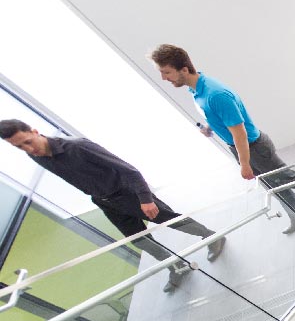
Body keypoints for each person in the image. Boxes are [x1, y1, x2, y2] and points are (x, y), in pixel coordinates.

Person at [0, 119, 223, 292]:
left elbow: (129, 170)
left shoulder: (78, 147)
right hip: (105, 201)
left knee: (170, 220)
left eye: (27, 142)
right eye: (19, 147)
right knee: (139, 240)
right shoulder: (38, 158)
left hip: (128, 192)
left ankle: (212, 236)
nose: (27, 149)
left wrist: (145, 199)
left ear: (35, 131)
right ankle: (175, 266)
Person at [149, 44, 295, 234]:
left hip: (254, 149)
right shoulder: (196, 89)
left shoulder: (215, 94)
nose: (164, 78)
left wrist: (244, 164)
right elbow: (223, 118)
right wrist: (211, 127)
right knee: (274, 186)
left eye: (166, 72)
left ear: (184, 70)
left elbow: (240, 133)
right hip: (244, 149)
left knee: (288, 179)